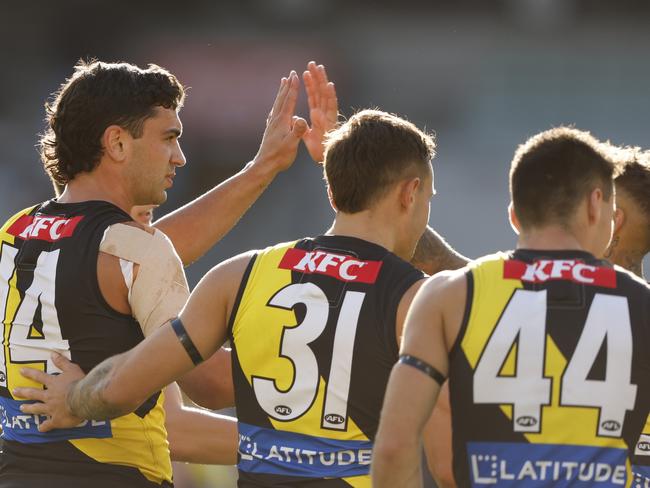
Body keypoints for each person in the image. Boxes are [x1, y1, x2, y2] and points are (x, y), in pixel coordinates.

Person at [15, 108, 445, 487]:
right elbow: (443, 459)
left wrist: (73, 398)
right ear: (410, 194)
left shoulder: (241, 274)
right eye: (426, 197)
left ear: (332, 192)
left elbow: (127, 382)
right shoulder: (420, 300)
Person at [0, 59, 336, 487]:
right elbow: (208, 383)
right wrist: (327, 366)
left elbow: (122, 257)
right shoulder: (135, 251)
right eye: (169, 137)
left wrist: (261, 168)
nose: (180, 157)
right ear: (117, 143)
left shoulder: (14, 234)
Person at [372, 127, 650, 487]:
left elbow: (396, 449)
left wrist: (359, 185)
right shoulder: (641, 306)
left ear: (514, 214)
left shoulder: (451, 295)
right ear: (597, 206)